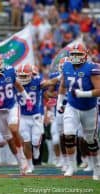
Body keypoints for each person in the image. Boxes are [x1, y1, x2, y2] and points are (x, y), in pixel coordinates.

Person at [0, 53, 32, 175]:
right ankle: (20, 161)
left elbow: (18, 85)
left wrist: (27, 98)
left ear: (2, 64)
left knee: (14, 129)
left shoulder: (10, 71)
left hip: (12, 107)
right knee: (9, 139)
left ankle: (22, 158)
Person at [58, 43, 100, 180]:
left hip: (89, 108)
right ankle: (71, 166)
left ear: (85, 55)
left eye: (78, 54)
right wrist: (60, 102)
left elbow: (99, 89)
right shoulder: (66, 66)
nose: (75, 57)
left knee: (90, 140)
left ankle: (97, 168)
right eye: (73, 54)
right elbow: (63, 85)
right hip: (72, 105)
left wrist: (83, 94)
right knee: (68, 134)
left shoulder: (92, 68)